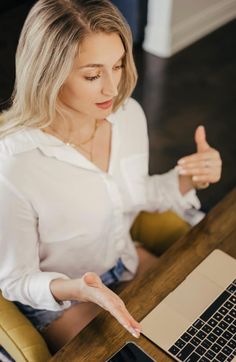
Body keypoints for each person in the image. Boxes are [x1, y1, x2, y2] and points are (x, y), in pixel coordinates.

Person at [0, 0, 222, 354]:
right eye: (92, 75)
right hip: (64, 297)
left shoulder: (127, 115)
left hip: (123, 260)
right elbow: (15, 280)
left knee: (208, 321)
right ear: (48, 75)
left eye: (117, 65)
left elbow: (134, 194)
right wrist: (79, 289)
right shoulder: (16, 165)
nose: (112, 88)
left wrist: (190, 178)